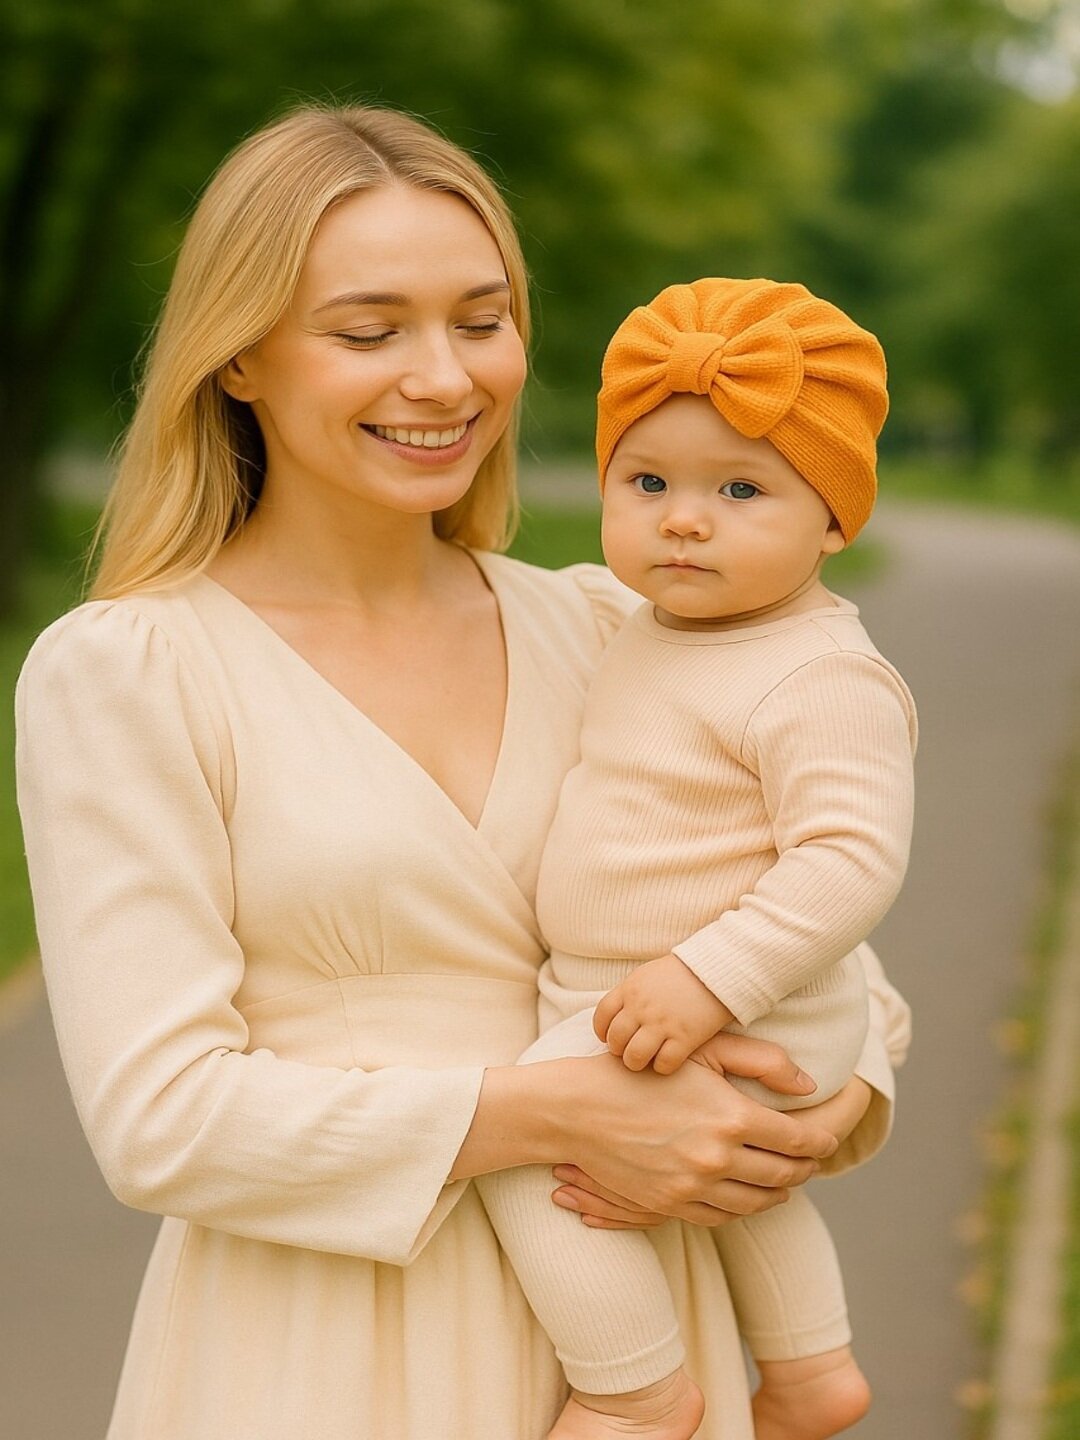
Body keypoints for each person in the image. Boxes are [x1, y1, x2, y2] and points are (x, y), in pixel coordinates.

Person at [14, 105, 910, 1440]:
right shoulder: (129, 670)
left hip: (655, 1330)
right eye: (370, 331)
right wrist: (547, 1111)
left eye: (481, 321)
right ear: (241, 360)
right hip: (321, 1346)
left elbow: (830, 947)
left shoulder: (613, 625)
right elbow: (164, 1121)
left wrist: (828, 1099)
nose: (444, 378)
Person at [478, 277, 916, 1440]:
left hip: (724, 1000)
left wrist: (711, 977)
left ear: (834, 517)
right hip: (647, 992)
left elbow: (849, 859)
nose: (683, 518)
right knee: (742, 1201)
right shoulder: (647, 627)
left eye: (740, 489)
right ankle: (813, 1374)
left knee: (534, 1142)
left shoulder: (819, 674)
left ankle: (634, 1392)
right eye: (649, 483)